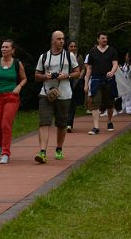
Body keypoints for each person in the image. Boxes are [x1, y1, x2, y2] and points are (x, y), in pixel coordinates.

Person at [34, 30, 80, 163]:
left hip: (64, 94)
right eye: (59, 39)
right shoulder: (44, 56)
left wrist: (67, 76)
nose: (61, 41)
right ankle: (42, 152)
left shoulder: (69, 56)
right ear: (52, 41)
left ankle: (59, 148)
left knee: (61, 124)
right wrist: (45, 76)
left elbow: (77, 72)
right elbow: (37, 75)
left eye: (63, 39)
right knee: (44, 122)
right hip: (46, 93)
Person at [85, 31, 119, 134]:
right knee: (95, 102)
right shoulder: (93, 52)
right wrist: (86, 83)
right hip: (96, 80)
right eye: (103, 38)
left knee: (109, 103)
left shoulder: (112, 50)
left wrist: (112, 72)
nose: (105, 40)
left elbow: (115, 63)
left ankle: (109, 121)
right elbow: (89, 68)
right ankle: (96, 127)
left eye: (106, 38)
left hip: (109, 80)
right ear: (98, 39)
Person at [66, 39, 84, 132]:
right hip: (65, 82)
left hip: (75, 83)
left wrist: (79, 77)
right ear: (68, 47)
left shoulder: (79, 57)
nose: (73, 48)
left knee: (72, 103)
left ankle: (69, 124)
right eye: (71, 46)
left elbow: (83, 68)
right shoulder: (64, 56)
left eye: (74, 46)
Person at [116, 50, 131, 115]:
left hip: (129, 81)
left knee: (129, 96)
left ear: (129, 57)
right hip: (124, 82)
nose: (125, 57)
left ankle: (129, 110)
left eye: (126, 56)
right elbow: (124, 71)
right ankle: (124, 109)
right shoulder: (125, 64)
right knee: (123, 95)